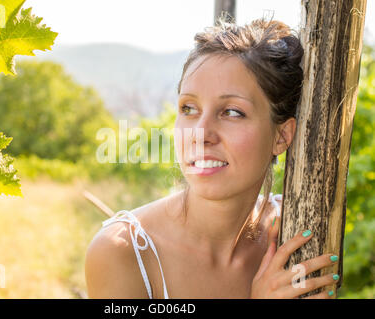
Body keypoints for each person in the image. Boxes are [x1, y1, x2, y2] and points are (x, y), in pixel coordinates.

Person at [85, 17, 339, 299]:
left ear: (281, 136)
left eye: (232, 112)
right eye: (189, 108)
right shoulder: (124, 253)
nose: (200, 134)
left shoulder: (298, 233)